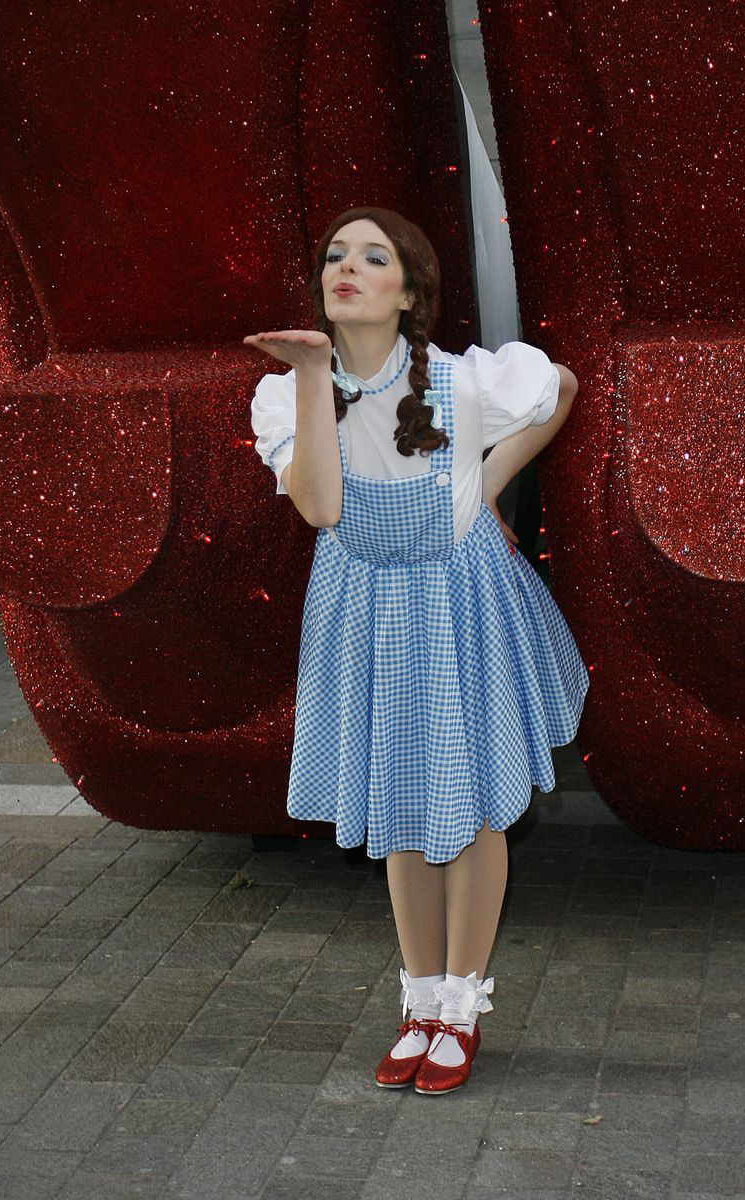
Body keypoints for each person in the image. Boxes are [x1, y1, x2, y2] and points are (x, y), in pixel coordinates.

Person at [244, 206, 589, 1096]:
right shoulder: (289, 394)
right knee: (402, 795)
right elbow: (320, 507)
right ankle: (421, 1000)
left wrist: (490, 486)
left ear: (409, 290)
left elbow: (561, 387)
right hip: (366, 605)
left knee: (470, 801)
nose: (346, 268)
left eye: (373, 256)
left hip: (458, 595)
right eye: (333, 256)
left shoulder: (463, 380)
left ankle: (461, 1010)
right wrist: (316, 374)